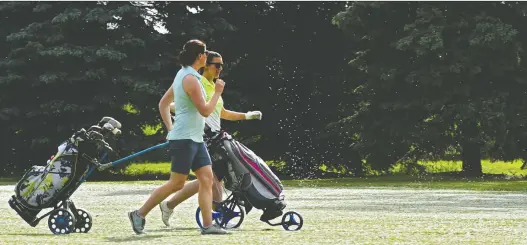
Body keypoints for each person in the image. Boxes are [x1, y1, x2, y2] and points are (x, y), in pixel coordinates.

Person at [128, 39, 229, 235]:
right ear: (200, 57)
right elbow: (206, 111)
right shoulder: (190, 79)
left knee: (207, 179)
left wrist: (170, 129)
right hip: (185, 139)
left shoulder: (184, 75)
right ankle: (139, 214)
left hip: (195, 138)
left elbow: (163, 104)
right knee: (177, 183)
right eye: (205, 54)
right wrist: (217, 92)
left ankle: (208, 226)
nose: (207, 57)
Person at [158, 50, 262, 227]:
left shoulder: (214, 87)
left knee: (210, 179)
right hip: (203, 137)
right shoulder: (198, 83)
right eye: (217, 65)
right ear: (206, 65)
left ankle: (169, 204)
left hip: (216, 138)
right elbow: (175, 105)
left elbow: (222, 113)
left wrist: (247, 116)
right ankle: (216, 217)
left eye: (222, 65)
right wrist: (174, 122)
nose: (220, 69)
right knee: (211, 180)